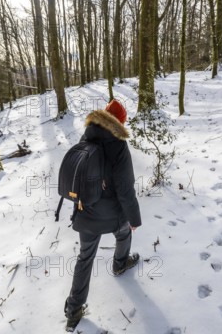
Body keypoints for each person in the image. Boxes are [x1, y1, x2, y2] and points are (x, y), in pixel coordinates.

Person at [64, 99, 142, 331]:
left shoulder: (86, 137)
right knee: (125, 233)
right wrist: (134, 220)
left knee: (85, 257)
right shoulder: (118, 145)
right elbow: (125, 189)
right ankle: (120, 264)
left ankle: (73, 310)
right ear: (121, 121)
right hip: (112, 213)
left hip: (85, 210)